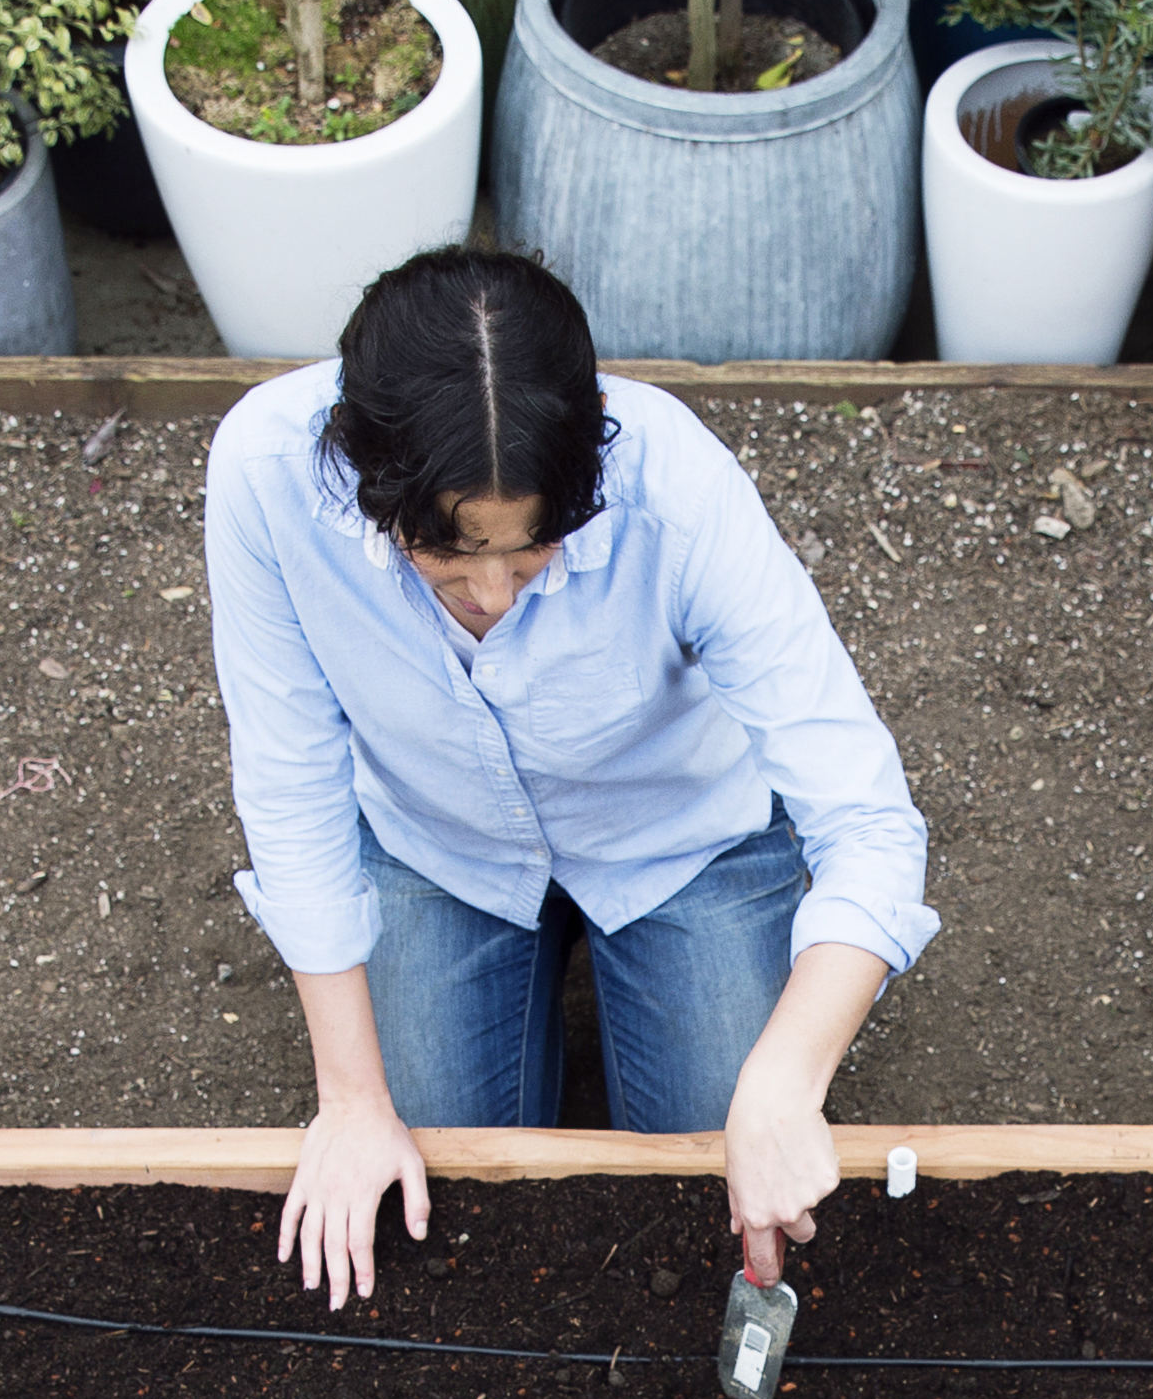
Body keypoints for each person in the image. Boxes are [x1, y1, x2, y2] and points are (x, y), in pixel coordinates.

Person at [203, 245, 934, 1306]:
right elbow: (292, 779)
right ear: (363, 477)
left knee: (709, 1167)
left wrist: (781, 1084)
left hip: (678, 843)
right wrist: (351, 1099)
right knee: (432, 1185)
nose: (493, 593)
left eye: (534, 551)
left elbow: (867, 818)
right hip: (436, 844)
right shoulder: (267, 474)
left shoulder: (675, 486)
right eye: (448, 564)